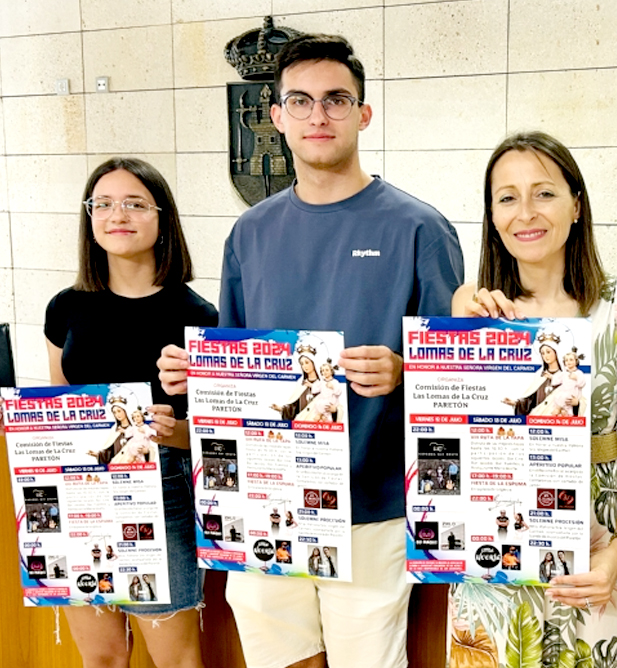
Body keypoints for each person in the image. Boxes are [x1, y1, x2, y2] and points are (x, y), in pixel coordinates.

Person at [157, 33, 462, 668]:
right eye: (300, 101)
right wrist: (196, 377)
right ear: (276, 118)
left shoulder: (418, 228)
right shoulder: (250, 233)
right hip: (265, 497)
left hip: (371, 505)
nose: (318, 116)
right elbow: (232, 360)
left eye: (336, 100)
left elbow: (460, 377)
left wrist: (406, 371)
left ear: (363, 113)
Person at [448, 131, 617, 666]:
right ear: (492, 216)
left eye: (544, 193)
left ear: (576, 205)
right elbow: (448, 438)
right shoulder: (471, 305)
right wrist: (466, 342)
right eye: (507, 197)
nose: (526, 212)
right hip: (496, 550)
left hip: (597, 556)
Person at [45, 157, 215, 668]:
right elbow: (59, 403)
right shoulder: (65, 307)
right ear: (89, 217)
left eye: (136, 203)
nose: (118, 214)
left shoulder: (197, 315)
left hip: (160, 489)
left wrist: (176, 433)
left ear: (163, 218)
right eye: (104, 203)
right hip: (79, 487)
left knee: (176, 658)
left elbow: (214, 435)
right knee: (101, 658)